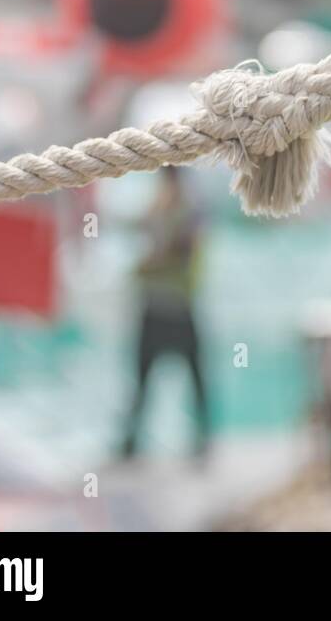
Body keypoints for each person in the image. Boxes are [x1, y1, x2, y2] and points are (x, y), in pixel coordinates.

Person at [120, 165, 210, 459]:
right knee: (144, 381)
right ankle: (132, 442)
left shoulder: (188, 215)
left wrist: (145, 267)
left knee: (192, 379)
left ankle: (201, 439)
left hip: (176, 307)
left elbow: (177, 255)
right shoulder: (161, 211)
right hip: (159, 307)